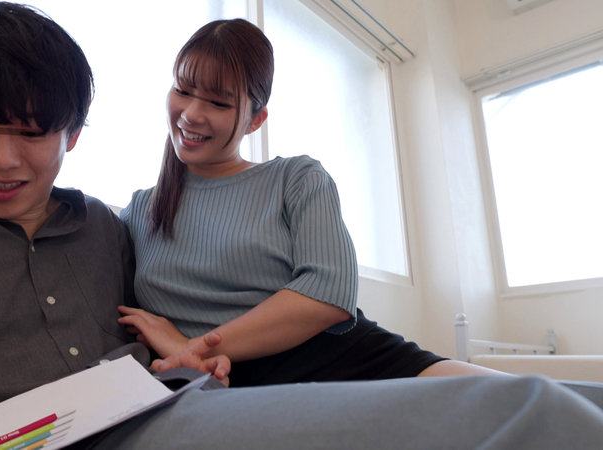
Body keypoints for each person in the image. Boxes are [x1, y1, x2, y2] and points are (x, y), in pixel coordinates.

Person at [0, 4, 603, 449]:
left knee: (555, 407)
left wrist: (189, 352)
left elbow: (323, 297)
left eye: (33, 134)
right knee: (539, 414)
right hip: (130, 413)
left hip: (255, 379)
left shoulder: (107, 227)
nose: (3, 160)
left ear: (72, 134)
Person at [118, 18, 501, 386]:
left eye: (218, 103)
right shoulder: (138, 213)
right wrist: (188, 356)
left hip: (346, 361)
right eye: (183, 91)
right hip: (227, 385)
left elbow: (329, 291)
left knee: (527, 400)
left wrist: (189, 348)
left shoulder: (296, 179)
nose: (191, 114)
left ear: (255, 119)